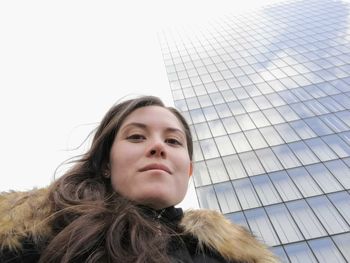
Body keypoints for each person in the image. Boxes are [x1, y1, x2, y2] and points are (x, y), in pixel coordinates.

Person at [0, 96, 277, 263]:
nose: (159, 147)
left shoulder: (232, 256)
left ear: (188, 171)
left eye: (173, 140)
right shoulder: (28, 236)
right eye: (136, 136)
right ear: (106, 164)